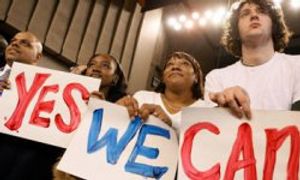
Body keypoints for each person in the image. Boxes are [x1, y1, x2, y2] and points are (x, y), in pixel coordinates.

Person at [205, 0, 300, 119]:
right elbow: (212, 131)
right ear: (236, 30)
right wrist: (223, 106)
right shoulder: (216, 78)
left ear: (273, 25)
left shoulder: (297, 66)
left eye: (261, 11)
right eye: (245, 13)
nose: (254, 16)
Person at [0, 31, 65, 180]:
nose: (15, 43)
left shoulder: (54, 91)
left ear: (38, 57)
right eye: (13, 41)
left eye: (25, 43)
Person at [52, 53, 128, 180]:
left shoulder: (123, 107)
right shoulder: (66, 97)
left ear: (115, 78)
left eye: (105, 65)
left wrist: (102, 110)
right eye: (91, 64)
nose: (96, 68)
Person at [118, 51, 214, 132]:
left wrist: (171, 126)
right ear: (163, 78)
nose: (175, 67)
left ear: (196, 77)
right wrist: (117, 110)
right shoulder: (142, 97)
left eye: (185, 63)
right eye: (170, 64)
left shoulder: (207, 109)